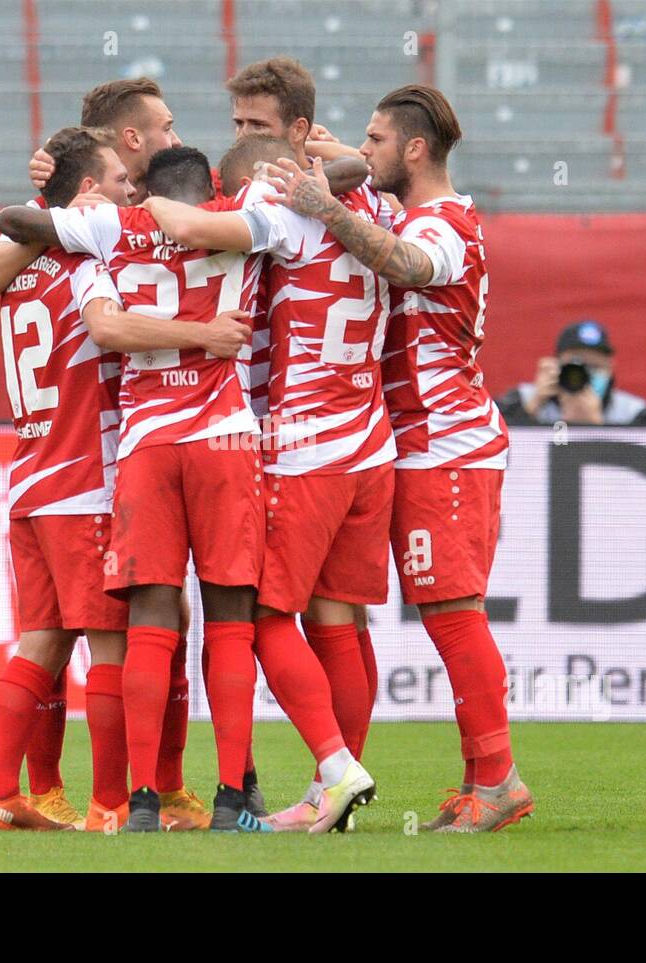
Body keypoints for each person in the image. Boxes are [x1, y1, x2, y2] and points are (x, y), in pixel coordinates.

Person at [264, 84, 536, 832]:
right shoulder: (411, 203)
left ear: (414, 149)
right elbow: (365, 188)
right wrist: (318, 154)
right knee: (368, 617)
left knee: (453, 613)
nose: (365, 149)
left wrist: (329, 208)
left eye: (376, 139)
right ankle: (373, 783)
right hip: (403, 444)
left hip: (445, 443)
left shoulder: (446, 222)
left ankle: (500, 777)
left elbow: (409, 266)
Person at [0, 127, 247, 833]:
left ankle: (2, 791)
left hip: (30, 475)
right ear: (89, 193)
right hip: (84, 474)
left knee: (43, 637)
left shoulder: (18, 264)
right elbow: (113, 326)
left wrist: (47, 200)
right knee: (116, 642)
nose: (135, 194)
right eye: (122, 182)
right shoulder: (86, 255)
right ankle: (117, 802)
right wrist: (203, 334)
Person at [140, 132, 394, 832]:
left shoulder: (275, 211)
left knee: (262, 617)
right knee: (337, 618)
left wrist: (133, 203)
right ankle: (325, 790)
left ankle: (338, 767)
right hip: (371, 444)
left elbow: (192, 223)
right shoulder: (376, 207)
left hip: (305, 446)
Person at [497, 320, 646, 426]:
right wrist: (531, 407)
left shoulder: (633, 413)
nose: (584, 374)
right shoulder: (522, 398)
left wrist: (596, 428)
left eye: (594, 367)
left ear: (610, 368)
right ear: (556, 363)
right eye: (576, 365)